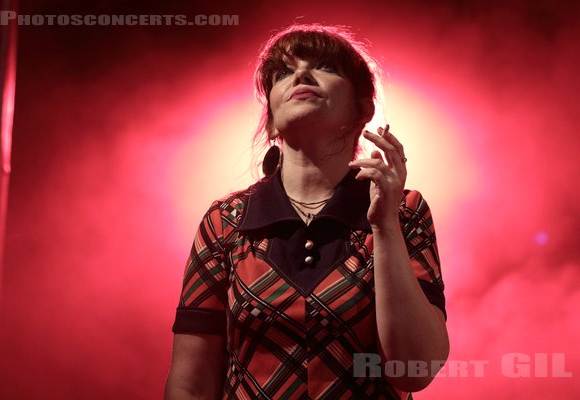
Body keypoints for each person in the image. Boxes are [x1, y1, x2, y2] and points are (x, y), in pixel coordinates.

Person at [164, 23, 449, 400]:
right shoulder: (225, 221)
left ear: (363, 108)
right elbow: (189, 384)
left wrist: (384, 228)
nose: (300, 74)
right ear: (270, 121)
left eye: (325, 66)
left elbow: (415, 369)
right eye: (283, 73)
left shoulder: (403, 209)